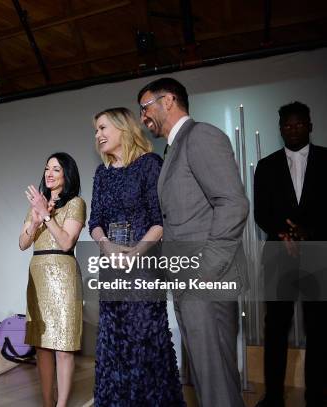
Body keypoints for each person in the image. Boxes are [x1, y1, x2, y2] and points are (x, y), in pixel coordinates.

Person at [137, 77, 249, 407]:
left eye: (145, 107)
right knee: (208, 380)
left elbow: (233, 204)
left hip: (207, 284)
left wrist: (204, 271)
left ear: (168, 101)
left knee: (217, 384)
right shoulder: (175, 147)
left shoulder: (200, 136)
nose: (143, 116)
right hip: (189, 283)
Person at [89, 107, 185, 406]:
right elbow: (95, 222)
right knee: (113, 341)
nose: (98, 135)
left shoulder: (149, 165)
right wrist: (107, 247)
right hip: (112, 270)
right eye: (96, 130)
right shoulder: (101, 174)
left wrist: (135, 253)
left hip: (143, 270)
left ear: (123, 128)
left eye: (103, 127)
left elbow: (160, 220)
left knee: (144, 341)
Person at [253, 101, 327, 407]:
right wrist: (282, 233)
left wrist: (308, 233)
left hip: (319, 255)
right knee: (276, 330)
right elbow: (260, 212)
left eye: (298, 123)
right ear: (280, 128)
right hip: (278, 256)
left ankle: (318, 396)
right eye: (287, 125)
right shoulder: (266, 166)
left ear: (310, 125)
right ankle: (273, 397)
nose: (292, 129)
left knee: (320, 330)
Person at [19, 152, 86, 407]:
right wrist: (35, 219)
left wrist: (47, 217)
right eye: (47, 168)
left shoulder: (75, 203)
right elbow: (23, 243)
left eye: (56, 169)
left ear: (66, 174)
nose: (49, 173)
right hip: (38, 274)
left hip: (63, 274)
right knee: (42, 346)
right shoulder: (36, 205)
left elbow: (67, 241)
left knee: (63, 346)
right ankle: (47, 403)